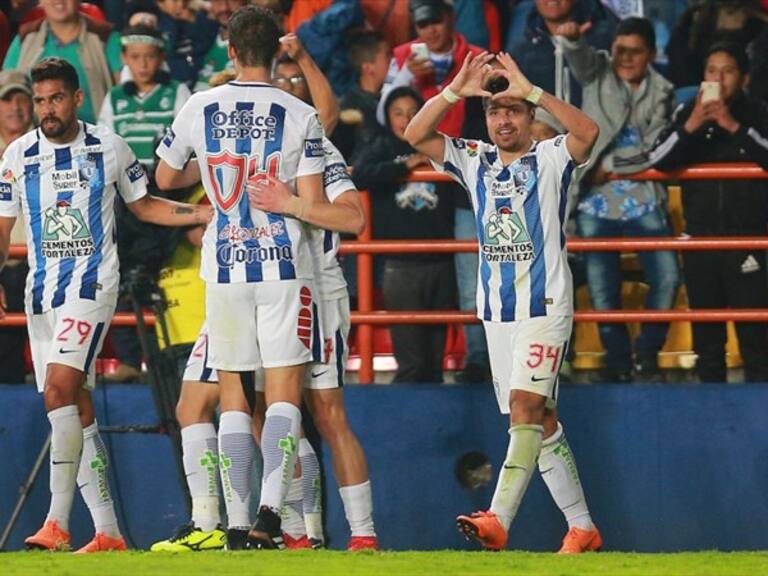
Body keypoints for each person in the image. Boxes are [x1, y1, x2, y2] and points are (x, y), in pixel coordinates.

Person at [0, 57, 211, 553]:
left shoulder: (108, 147)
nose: (46, 109)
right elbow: (2, 225)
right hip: (42, 294)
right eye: (40, 100)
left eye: (56, 98)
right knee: (77, 405)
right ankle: (109, 531)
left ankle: (55, 522)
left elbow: (144, 204)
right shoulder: (16, 155)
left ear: (76, 99)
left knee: (57, 392)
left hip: (93, 287)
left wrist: (199, 212)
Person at [404, 51, 603, 553]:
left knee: (524, 407)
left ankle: (497, 518)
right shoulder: (474, 159)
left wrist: (531, 88)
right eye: (495, 111)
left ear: (532, 118)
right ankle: (582, 527)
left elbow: (588, 133)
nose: (504, 119)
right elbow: (415, 135)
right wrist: (454, 90)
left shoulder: (553, 156)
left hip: (545, 306)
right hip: (497, 314)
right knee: (542, 420)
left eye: (514, 110)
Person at [154, 5, 325, 550]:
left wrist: (205, 165)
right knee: (281, 398)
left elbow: (164, 175)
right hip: (281, 267)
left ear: (229, 50)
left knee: (233, 397)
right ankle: (271, 516)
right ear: (277, 50)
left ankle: (231, 522)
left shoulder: (200, 105)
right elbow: (314, 205)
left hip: (224, 268)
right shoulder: (300, 114)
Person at [557, 17, 680, 382]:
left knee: (669, 277)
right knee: (601, 291)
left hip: (644, 200)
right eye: (619, 49)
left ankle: (646, 353)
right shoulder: (597, 70)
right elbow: (578, 57)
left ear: (651, 54)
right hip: (594, 203)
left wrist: (606, 163)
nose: (625, 58)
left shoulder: (664, 90)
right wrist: (573, 39)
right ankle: (618, 363)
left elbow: (655, 149)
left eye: (635, 51)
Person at [651, 42, 768, 383]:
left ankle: (759, 422)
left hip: (750, 242)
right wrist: (693, 124)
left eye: (727, 71)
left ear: (743, 78)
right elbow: (658, 160)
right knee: (707, 339)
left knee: (756, 339)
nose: (718, 78)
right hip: (701, 241)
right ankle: (710, 421)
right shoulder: (688, 111)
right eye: (711, 71)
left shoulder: (758, 113)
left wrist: (732, 126)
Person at [353, 86, 456, 383]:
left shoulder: (437, 145)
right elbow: (360, 174)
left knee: (436, 360)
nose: (406, 119)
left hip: (442, 261)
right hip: (400, 265)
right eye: (398, 113)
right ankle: (409, 419)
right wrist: (404, 165)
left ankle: (436, 420)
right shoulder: (382, 146)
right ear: (387, 116)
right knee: (411, 360)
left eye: (413, 112)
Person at [3, 0, 122, 125]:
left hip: (95, 138)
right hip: (37, 138)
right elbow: (5, 88)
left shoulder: (105, 37)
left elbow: (127, 92)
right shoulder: (25, 38)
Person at [505, 0, 618, 109]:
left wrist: (575, 43)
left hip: (595, 124)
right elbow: (525, 97)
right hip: (544, 124)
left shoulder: (605, 33)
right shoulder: (522, 48)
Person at [0, 69, 34, 384]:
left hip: (46, 265)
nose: (15, 107)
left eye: (22, 98)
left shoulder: (53, 146)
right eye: (6, 99)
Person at [331, 30, 390, 164]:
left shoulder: (392, 98)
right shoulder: (348, 106)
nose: (393, 61)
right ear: (368, 67)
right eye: (387, 55)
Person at [194, 0, 248, 92]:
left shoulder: (254, 44)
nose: (224, 8)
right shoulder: (202, 39)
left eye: (232, 1)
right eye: (218, 1)